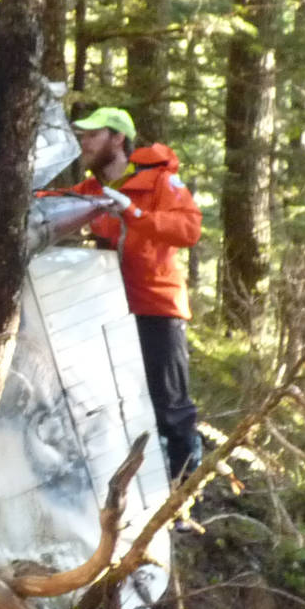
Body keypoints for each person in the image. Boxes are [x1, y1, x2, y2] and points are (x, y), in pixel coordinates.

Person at [66, 107, 204, 481]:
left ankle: (184, 492)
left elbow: (189, 230)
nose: (84, 143)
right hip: (107, 309)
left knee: (171, 405)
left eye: (93, 135)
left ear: (117, 139)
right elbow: (54, 200)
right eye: (82, 136)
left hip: (157, 307)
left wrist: (135, 215)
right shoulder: (91, 190)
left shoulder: (160, 182)